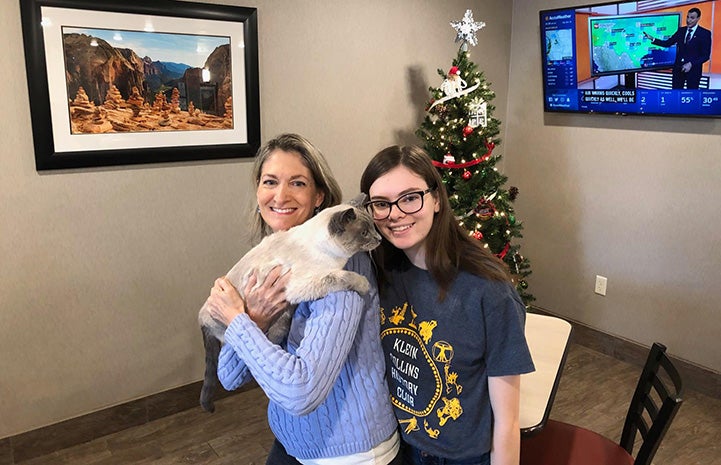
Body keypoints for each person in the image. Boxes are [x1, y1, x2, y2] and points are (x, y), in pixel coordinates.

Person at [205, 133, 401, 465]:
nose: (280, 195)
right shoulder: (272, 259)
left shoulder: (342, 259)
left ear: (318, 196)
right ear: (257, 190)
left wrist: (238, 320)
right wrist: (256, 319)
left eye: (297, 183)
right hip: (294, 442)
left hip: (352, 452)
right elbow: (228, 376)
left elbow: (301, 392)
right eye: (270, 181)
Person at [360, 145, 535, 465]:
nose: (395, 213)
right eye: (381, 204)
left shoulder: (488, 290)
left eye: (410, 197)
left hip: (463, 458)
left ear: (437, 199)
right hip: (399, 447)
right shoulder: (380, 270)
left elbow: (508, 422)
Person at [644, 7, 711, 89]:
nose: (688, 20)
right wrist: (653, 39)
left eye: (692, 18)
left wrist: (691, 64)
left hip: (694, 72)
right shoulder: (681, 31)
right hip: (678, 70)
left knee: (692, 96)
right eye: (687, 17)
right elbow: (667, 43)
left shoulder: (704, 34)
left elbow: (705, 56)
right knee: (676, 95)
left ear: (698, 18)